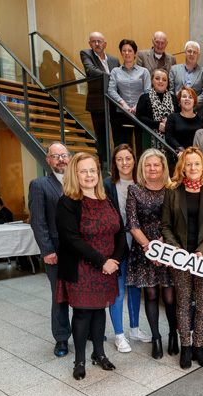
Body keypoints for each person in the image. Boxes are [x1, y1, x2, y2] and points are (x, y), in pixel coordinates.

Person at [55, 152, 127, 380]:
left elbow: (120, 231)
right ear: (74, 174)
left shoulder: (108, 199)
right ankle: (79, 360)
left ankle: (99, 354)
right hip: (82, 267)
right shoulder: (68, 202)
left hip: (107, 266)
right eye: (83, 171)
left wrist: (114, 260)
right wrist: (102, 262)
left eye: (93, 170)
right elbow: (71, 239)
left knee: (100, 310)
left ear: (98, 173)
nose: (89, 175)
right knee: (84, 312)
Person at [161, 146, 203, 369]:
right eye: (189, 164)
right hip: (179, 258)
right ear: (182, 168)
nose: (193, 167)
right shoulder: (172, 191)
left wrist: (200, 252)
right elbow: (166, 226)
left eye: (197, 163)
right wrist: (176, 248)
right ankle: (185, 348)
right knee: (183, 303)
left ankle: (199, 347)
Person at [126, 149, 176, 360]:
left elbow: (176, 221)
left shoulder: (172, 190)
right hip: (143, 248)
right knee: (152, 295)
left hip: (169, 248)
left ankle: (174, 335)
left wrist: (162, 248)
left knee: (170, 296)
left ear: (163, 167)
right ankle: (156, 338)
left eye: (156, 165)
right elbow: (132, 223)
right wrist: (150, 248)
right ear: (142, 168)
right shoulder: (134, 190)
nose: (152, 168)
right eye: (148, 165)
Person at [103, 144, 151, 353]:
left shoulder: (142, 184)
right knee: (118, 291)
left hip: (139, 245)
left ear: (134, 160)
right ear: (115, 163)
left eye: (128, 158)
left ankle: (134, 329)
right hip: (116, 247)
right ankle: (119, 335)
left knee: (135, 289)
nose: (124, 163)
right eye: (119, 159)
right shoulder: (106, 185)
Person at [28, 142, 73, 357]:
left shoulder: (82, 181)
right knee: (60, 295)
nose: (61, 159)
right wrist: (47, 250)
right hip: (55, 251)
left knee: (84, 293)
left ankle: (89, 331)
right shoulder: (39, 185)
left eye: (64, 155)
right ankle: (61, 338)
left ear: (70, 158)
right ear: (48, 161)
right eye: (55, 156)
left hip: (81, 252)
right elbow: (38, 221)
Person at [80, 32, 120, 166]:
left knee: (117, 133)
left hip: (114, 103)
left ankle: (118, 160)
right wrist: (111, 77)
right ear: (89, 43)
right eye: (93, 41)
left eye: (99, 41)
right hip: (97, 103)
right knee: (101, 135)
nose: (97, 44)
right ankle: (104, 163)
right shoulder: (86, 54)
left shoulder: (114, 60)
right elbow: (91, 70)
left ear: (105, 44)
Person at [108, 39, 151, 155]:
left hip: (140, 113)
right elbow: (111, 90)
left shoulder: (144, 71)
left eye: (130, 51)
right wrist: (124, 105)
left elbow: (147, 91)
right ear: (121, 53)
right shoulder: (115, 72)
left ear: (135, 53)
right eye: (124, 50)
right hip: (121, 113)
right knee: (122, 148)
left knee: (142, 147)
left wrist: (137, 106)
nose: (127, 53)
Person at [136, 68, 177, 154]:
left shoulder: (174, 98)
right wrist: (158, 125)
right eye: (157, 78)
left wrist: (170, 122)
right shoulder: (144, 97)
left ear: (167, 83)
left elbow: (179, 116)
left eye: (164, 79)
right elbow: (140, 117)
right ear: (152, 80)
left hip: (171, 140)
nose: (160, 81)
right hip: (149, 139)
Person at [164, 87, 203, 172]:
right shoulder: (172, 118)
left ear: (194, 102)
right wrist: (181, 149)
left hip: (197, 160)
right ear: (179, 101)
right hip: (178, 158)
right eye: (184, 96)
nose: (187, 99)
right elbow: (169, 137)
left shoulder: (202, 120)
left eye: (190, 97)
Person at [169, 41, 203, 108]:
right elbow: (170, 91)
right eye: (189, 51)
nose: (192, 54)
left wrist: (192, 104)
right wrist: (179, 103)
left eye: (195, 52)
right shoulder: (174, 70)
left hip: (195, 112)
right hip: (176, 110)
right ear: (185, 53)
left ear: (198, 55)